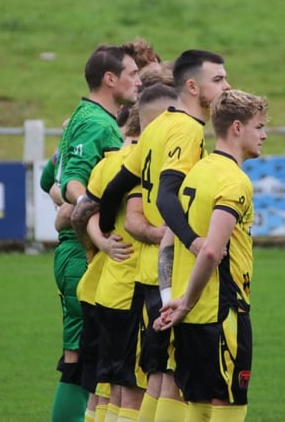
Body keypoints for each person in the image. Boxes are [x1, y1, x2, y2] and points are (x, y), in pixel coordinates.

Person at [98, 49, 231, 422]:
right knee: (171, 376)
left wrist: (106, 233)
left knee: (157, 376)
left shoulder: (156, 127)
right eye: (218, 79)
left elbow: (114, 189)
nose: (227, 85)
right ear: (192, 86)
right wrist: (193, 240)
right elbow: (167, 194)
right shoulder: (187, 130)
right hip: (170, 273)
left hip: (145, 276)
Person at [154, 89, 269, 422]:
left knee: (198, 408)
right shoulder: (234, 181)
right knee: (229, 406)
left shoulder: (197, 172)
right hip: (221, 314)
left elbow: (168, 242)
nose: (263, 136)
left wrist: (173, 298)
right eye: (259, 127)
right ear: (237, 127)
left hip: (190, 318)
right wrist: (186, 301)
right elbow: (210, 252)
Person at [72, 83, 180, 422]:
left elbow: (81, 212)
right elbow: (133, 222)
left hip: (102, 287)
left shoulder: (107, 162)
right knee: (134, 388)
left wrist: (99, 243)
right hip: (131, 287)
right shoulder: (145, 163)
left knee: (106, 389)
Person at [51, 44, 142, 422]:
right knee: (83, 362)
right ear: (110, 79)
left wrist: (70, 205)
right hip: (81, 251)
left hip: (75, 248)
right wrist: (93, 220)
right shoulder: (98, 123)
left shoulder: (83, 117)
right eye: (133, 74)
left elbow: (50, 178)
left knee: (84, 360)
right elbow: (72, 182)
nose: (137, 81)